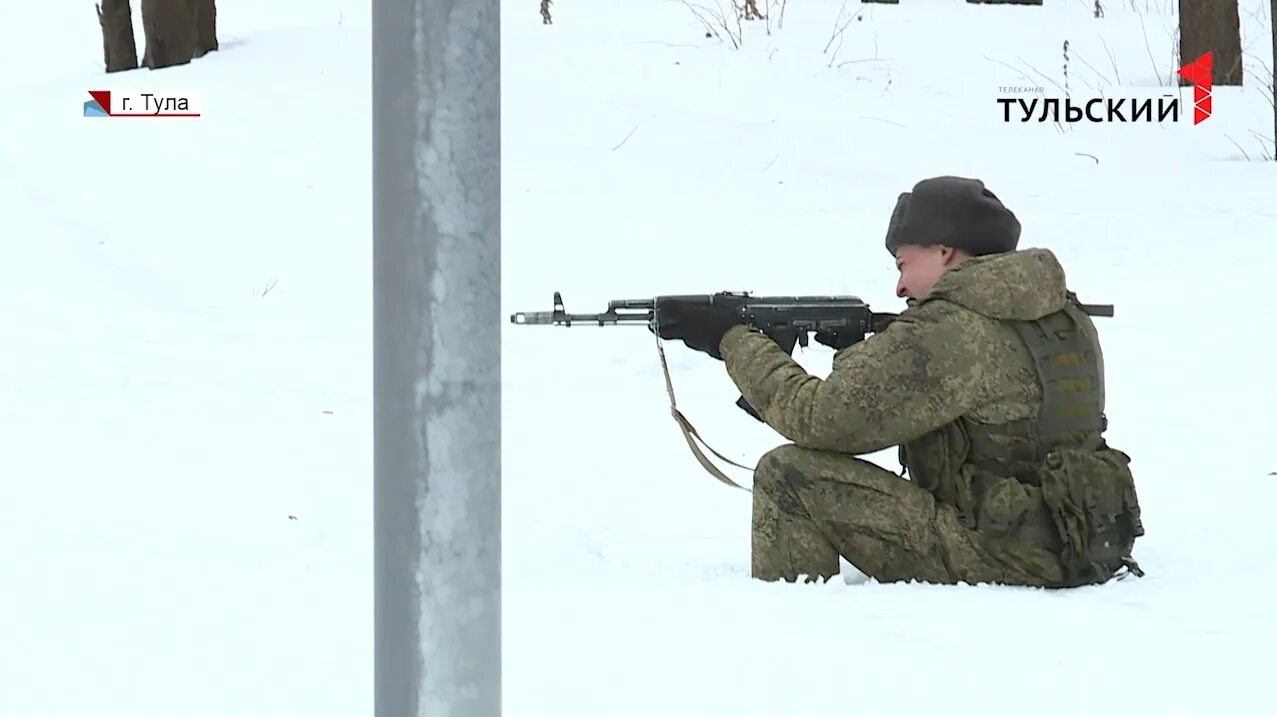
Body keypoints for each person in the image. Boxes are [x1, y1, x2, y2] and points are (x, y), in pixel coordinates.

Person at [654, 175, 1145, 588]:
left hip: (1005, 554)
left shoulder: (953, 329)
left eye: (904, 264)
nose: (900, 287)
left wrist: (732, 339)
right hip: (1080, 537)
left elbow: (819, 419)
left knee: (791, 476)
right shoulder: (1060, 314)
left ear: (946, 251)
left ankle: (795, 636)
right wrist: (870, 351)